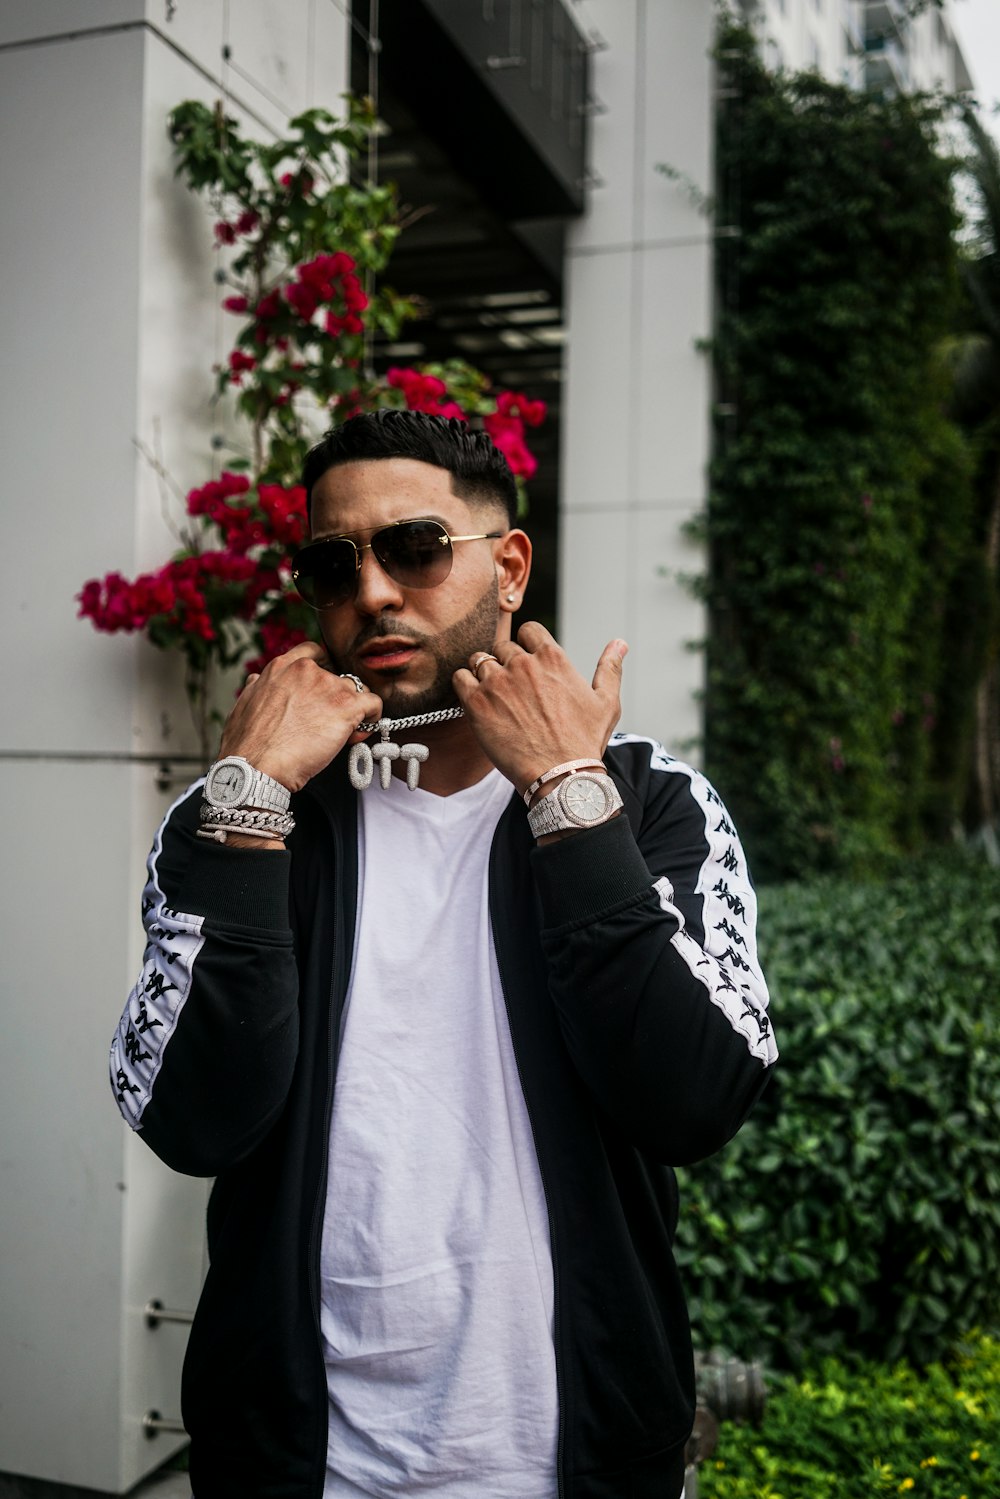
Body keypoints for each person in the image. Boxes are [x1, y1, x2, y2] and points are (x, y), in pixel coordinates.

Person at [110, 409, 777, 1499]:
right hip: (297, 1466)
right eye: (335, 563)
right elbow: (189, 1117)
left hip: (575, 1461)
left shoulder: (649, 803)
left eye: (414, 548)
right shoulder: (237, 821)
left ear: (506, 565)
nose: (372, 589)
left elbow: (695, 1096)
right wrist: (247, 808)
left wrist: (570, 799)